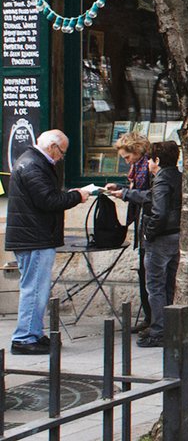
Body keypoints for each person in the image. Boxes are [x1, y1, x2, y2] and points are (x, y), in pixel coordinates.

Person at [6, 131, 89, 354]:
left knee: (37, 288)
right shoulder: (33, 165)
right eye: (62, 152)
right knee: (34, 289)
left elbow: (46, 196)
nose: (61, 157)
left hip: (33, 235)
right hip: (34, 237)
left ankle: (33, 333)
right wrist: (76, 196)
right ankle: (24, 338)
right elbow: (48, 200)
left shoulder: (33, 162)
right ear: (52, 146)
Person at [111, 140, 180, 346]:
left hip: (161, 237)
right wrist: (125, 192)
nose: (147, 163)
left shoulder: (161, 179)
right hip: (175, 235)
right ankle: (169, 327)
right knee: (168, 285)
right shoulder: (176, 176)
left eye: (149, 160)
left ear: (156, 160)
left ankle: (159, 331)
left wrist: (149, 234)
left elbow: (159, 210)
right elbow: (150, 196)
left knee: (155, 286)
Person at [104, 131, 153, 332]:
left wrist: (125, 193)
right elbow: (137, 189)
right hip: (141, 224)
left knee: (150, 275)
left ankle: (154, 320)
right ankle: (149, 318)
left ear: (138, 150)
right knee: (143, 273)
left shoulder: (149, 166)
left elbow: (150, 195)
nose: (126, 161)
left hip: (150, 225)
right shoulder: (137, 168)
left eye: (128, 156)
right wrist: (120, 188)